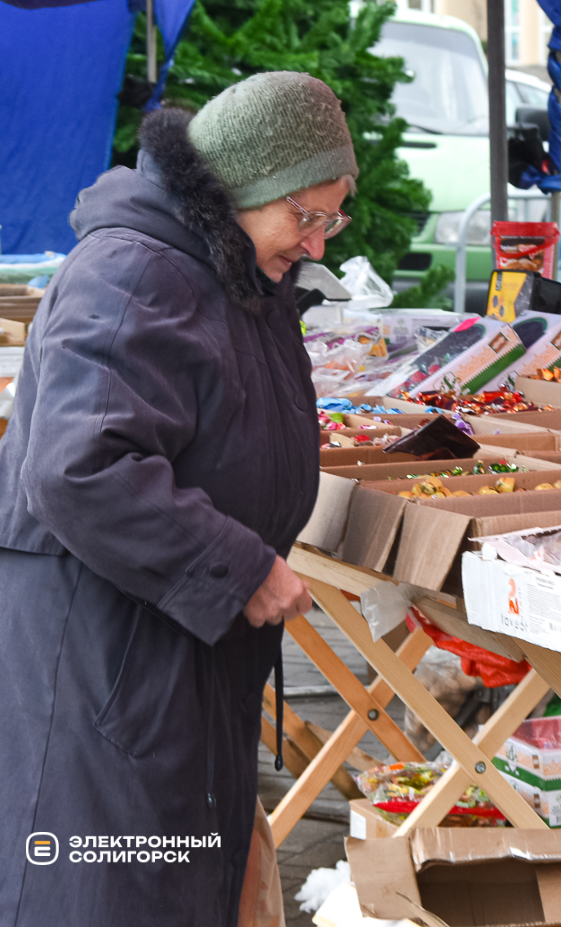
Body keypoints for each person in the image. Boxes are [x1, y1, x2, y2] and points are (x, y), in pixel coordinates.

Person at [0, 71, 358, 927]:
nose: (316, 242)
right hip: (109, 659)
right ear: (239, 191)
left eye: (332, 217)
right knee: (104, 885)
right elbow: (82, 467)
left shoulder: (227, 268)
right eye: (302, 216)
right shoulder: (134, 270)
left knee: (176, 876)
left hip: (172, 651)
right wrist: (239, 569)